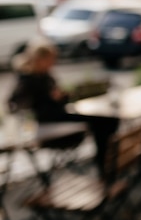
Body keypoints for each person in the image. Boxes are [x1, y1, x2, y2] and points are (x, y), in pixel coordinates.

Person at [8, 39, 119, 177]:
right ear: (41, 59)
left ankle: (108, 164)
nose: (53, 62)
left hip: (58, 115)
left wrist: (62, 97)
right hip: (48, 122)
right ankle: (105, 169)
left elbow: (58, 100)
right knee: (101, 123)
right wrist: (48, 100)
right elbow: (16, 104)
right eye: (51, 59)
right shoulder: (28, 79)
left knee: (107, 121)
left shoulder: (45, 75)